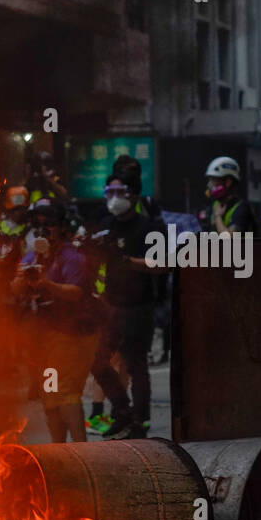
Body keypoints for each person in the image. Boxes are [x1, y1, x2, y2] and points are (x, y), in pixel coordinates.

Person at [11, 200, 101, 442]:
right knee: (49, 393)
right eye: (37, 225)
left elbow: (76, 292)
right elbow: (16, 289)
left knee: (65, 392)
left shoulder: (72, 256)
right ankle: (60, 450)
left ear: (61, 227)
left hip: (73, 334)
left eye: (48, 225)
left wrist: (46, 284)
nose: (43, 231)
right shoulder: (33, 256)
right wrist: (25, 279)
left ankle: (82, 450)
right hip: (46, 338)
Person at [87, 173, 167, 440]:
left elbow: (161, 264)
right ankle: (121, 411)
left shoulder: (150, 227)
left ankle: (140, 421)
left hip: (137, 307)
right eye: (109, 192)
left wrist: (127, 261)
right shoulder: (107, 225)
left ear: (133, 195)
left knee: (136, 366)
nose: (113, 198)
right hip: (110, 305)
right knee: (97, 361)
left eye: (119, 193)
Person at [197, 156, 254, 234]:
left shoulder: (242, 209)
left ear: (228, 182)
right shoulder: (213, 206)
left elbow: (228, 240)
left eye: (213, 180)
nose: (209, 185)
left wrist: (218, 216)